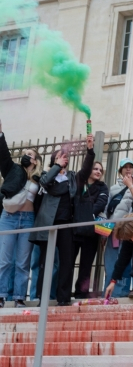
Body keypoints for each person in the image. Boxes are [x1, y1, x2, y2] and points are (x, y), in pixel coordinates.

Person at [30, 134, 95, 306]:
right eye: (59, 156)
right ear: (54, 160)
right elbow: (45, 182)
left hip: (67, 225)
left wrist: (90, 151)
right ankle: (42, 298)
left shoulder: (72, 177)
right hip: (49, 226)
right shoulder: (46, 175)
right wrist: (56, 166)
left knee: (67, 262)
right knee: (46, 262)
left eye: (65, 156)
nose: (64, 158)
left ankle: (63, 298)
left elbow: (86, 171)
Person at [0, 123, 43, 308]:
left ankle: (19, 297)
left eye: (30, 154)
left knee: (23, 262)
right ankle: (1, 295)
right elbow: (3, 155)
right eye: (24, 153)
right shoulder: (13, 170)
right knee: (5, 260)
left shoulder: (40, 178)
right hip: (8, 219)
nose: (26, 156)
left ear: (35, 161)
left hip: (27, 220)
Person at [102, 158, 133, 298]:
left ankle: (122, 292)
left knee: (125, 262)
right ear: (120, 171)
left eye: (131, 167)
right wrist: (103, 233)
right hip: (113, 230)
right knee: (111, 263)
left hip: (129, 230)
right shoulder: (113, 188)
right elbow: (107, 211)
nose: (128, 169)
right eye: (125, 167)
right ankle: (108, 293)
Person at [71, 161, 108, 298]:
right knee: (69, 262)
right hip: (74, 228)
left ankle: (81, 292)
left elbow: (101, 204)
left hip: (91, 231)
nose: (98, 171)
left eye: (100, 170)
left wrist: (86, 215)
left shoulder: (102, 187)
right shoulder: (78, 182)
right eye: (95, 169)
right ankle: (63, 292)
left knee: (86, 264)